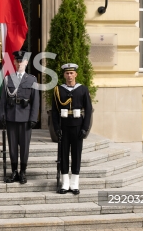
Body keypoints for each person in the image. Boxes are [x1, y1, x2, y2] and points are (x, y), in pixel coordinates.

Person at [0, 50, 39, 184]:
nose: (20, 63)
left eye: (22, 61)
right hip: (11, 117)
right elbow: (3, 100)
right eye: (18, 61)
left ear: (26, 62)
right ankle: (14, 171)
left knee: (24, 146)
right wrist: (2, 115)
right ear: (15, 62)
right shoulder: (8, 78)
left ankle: (23, 171)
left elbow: (35, 101)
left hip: (26, 118)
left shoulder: (32, 79)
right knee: (12, 146)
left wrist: (33, 118)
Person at [52, 63, 92, 195]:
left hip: (77, 126)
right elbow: (54, 111)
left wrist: (85, 128)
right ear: (64, 75)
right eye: (67, 73)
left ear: (76, 74)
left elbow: (88, 110)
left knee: (76, 155)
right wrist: (56, 127)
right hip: (64, 126)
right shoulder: (58, 90)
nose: (69, 76)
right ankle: (65, 183)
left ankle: (74, 184)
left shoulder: (82, 89)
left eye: (71, 73)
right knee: (63, 155)